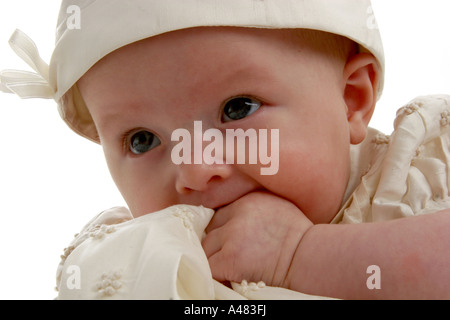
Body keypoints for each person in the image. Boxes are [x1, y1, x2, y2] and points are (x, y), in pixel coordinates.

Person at [1, 0, 449, 300]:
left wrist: (299, 254)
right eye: (143, 140)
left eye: (237, 109)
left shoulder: (415, 176)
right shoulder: (148, 256)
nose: (194, 168)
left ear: (351, 98)